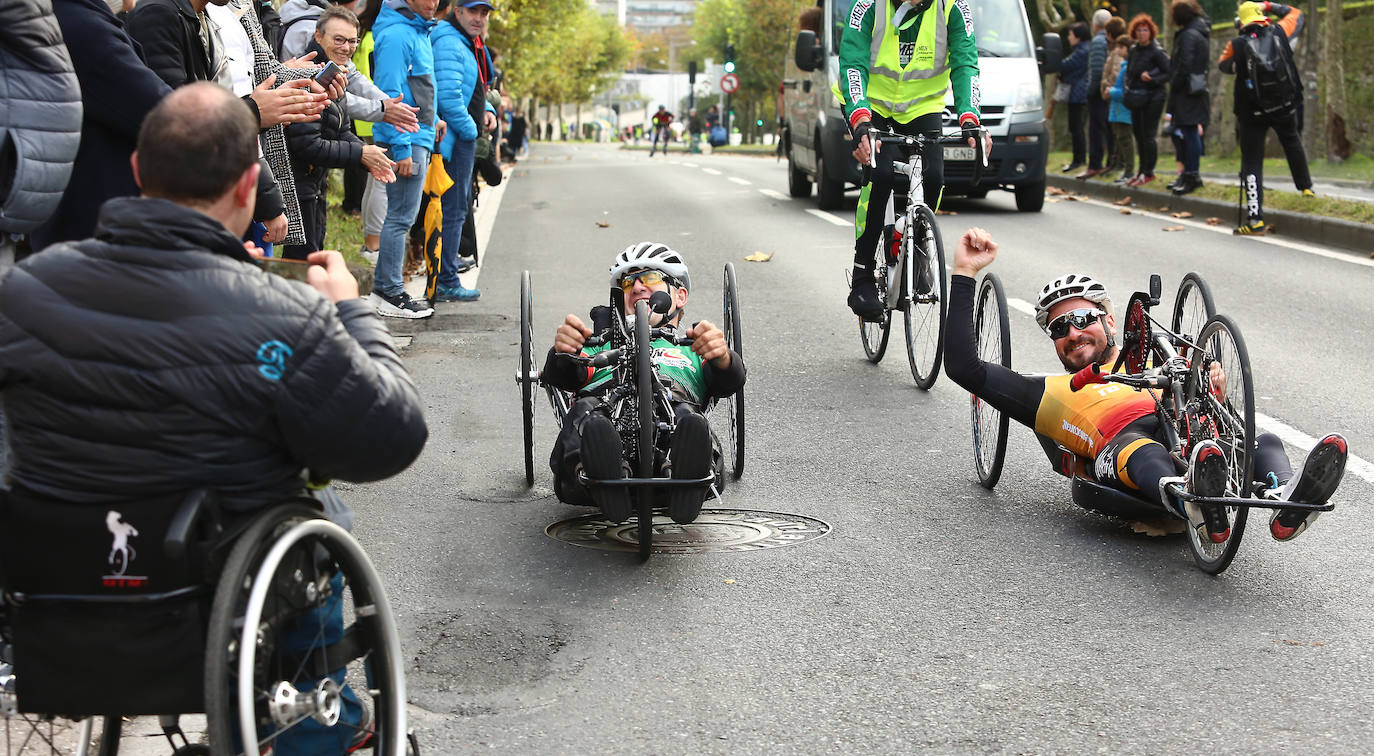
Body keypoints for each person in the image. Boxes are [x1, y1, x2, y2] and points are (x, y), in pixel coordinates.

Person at [0, 84, 427, 749]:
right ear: (249, 184)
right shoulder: (288, 317)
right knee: (320, 512)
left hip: (57, 582)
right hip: (226, 591)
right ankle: (318, 728)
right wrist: (350, 313)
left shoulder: (25, 290)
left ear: (139, 171)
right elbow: (390, 439)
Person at [943, 227, 1347, 544]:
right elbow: (964, 367)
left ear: (1109, 321)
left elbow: (1207, 388)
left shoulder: (1162, 353)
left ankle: (1287, 503)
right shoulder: (1047, 393)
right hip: (1123, 445)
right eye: (1059, 327)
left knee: (1264, 442)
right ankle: (1194, 502)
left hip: (1187, 433)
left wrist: (1211, 384)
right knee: (1145, 452)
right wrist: (964, 273)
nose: (1073, 332)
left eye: (1083, 318)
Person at [542, 243, 746, 526]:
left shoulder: (693, 345)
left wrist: (723, 356)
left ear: (680, 295)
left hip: (673, 411)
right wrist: (564, 352)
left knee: (689, 418)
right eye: (628, 281)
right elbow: (562, 376)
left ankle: (687, 478)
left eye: (650, 278)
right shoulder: (598, 343)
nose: (637, 287)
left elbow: (730, 382)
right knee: (588, 415)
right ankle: (596, 475)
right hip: (605, 410)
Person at [838, 0, 986, 320]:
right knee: (880, 174)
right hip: (870, 105)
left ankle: (916, 252)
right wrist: (861, 120)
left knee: (933, 177)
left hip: (921, 108)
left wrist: (969, 117)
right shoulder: (867, 6)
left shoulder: (953, 9)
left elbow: (966, 63)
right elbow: (852, 63)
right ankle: (862, 274)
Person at [283, 6, 397, 259]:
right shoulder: (307, 75)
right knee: (301, 265)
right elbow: (308, 145)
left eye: (352, 41)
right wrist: (360, 153)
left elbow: (341, 130)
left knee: (312, 259)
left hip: (315, 186)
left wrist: (370, 154)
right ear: (318, 36)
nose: (347, 47)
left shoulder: (333, 71)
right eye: (339, 40)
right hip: (299, 188)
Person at [370, 0, 440, 318]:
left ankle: (387, 288)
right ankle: (390, 292)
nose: (434, 2)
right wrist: (402, 148)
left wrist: (433, 120)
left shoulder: (416, 29)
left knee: (401, 218)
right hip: (406, 141)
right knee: (399, 218)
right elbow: (390, 94)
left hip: (416, 137)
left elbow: (419, 90)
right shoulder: (399, 34)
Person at [1219, 1, 1312, 235]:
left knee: (1252, 161)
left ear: (1241, 22)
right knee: (1292, 141)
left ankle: (1255, 219)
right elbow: (1297, 14)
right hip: (1283, 105)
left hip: (1251, 112)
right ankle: (1306, 189)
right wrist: (1270, 4)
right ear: (1262, 16)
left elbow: (1223, 66)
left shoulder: (1236, 44)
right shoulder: (1281, 31)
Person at [430, 0, 497, 301]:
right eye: (473, 11)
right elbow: (448, 97)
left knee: (456, 210)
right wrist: (472, 131)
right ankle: (446, 280)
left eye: (484, 13)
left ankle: (446, 274)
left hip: (459, 139)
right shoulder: (449, 42)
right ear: (457, 12)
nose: (479, 18)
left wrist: (488, 109)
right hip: (455, 142)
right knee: (454, 211)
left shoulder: (464, 42)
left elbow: (475, 87)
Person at [1166, 0, 1211, 196]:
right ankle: (1188, 174)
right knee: (1187, 133)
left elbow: (1184, 65)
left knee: (1190, 133)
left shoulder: (1188, 36)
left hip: (1187, 91)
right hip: (1194, 89)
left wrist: (1175, 83)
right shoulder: (1197, 32)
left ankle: (1191, 174)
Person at [1121, 13, 1169, 187]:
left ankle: (1149, 172)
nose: (1142, 33)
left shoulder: (1156, 51)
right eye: (1139, 30)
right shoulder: (1134, 50)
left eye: (1145, 30)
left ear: (1151, 32)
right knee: (1138, 134)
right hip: (1137, 97)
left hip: (1154, 97)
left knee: (1149, 135)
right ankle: (1141, 171)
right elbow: (1129, 73)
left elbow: (1168, 71)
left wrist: (1152, 77)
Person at [1079, 10, 1113, 179]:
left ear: (1095, 24)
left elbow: (1097, 70)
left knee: (1096, 129)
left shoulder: (1099, 41)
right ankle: (1109, 162)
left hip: (1098, 92)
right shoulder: (1109, 40)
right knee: (1107, 128)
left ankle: (1095, 164)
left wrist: (1091, 90)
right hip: (1107, 91)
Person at [1058, 22, 1090, 174]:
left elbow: (1066, 66)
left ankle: (1079, 159)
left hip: (1078, 94)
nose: (1069, 38)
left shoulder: (1082, 52)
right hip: (1079, 93)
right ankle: (1079, 158)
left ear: (1078, 36)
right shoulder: (1083, 50)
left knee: (1076, 128)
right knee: (1077, 128)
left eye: (1070, 35)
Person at [1103, 35, 1136, 183]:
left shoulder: (1128, 68)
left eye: (1120, 47)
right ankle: (1125, 170)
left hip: (1123, 110)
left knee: (1125, 141)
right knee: (1121, 140)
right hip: (1118, 110)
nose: (1117, 50)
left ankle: (1129, 171)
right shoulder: (1125, 66)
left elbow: (1124, 91)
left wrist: (1110, 92)